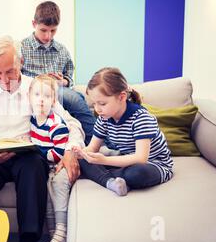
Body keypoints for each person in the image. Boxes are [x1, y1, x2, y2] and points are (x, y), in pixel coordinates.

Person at [0, 36, 85, 242]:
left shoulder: (36, 88)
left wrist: (70, 150)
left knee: (34, 164)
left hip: (26, 156)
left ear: (21, 62)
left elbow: (72, 123)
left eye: (9, 71)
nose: (4, 79)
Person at [72, 67, 174, 196]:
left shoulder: (141, 118)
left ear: (121, 97)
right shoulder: (104, 118)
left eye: (102, 104)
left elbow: (141, 158)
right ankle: (111, 182)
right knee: (84, 161)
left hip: (153, 164)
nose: (97, 109)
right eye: (94, 104)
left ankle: (108, 178)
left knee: (136, 174)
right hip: (124, 160)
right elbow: (92, 148)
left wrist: (104, 161)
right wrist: (80, 153)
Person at [21, 1, 95, 145]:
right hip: (35, 91)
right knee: (74, 99)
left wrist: (64, 81)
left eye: (53, 30)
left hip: (58, 89)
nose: (48, 36)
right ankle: (94, 144)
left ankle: (93, 145)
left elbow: (69, 76)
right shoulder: (21, 48)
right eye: (43, 30)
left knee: (75, 98)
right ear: (33, 24)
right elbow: (16, 77)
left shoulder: (62, 50)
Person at [28, 74, 72, 242]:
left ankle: (61, 234)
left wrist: (35, 150)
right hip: (44, 167)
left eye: (47, 96)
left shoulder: (56, 125)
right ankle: (54, 234)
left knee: (57, 188)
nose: (41, 100)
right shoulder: (32, 119)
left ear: (54, 101)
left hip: (57, 165)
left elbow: (58, 153)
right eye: (37, 95)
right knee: (44, 194)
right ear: (29, 98)